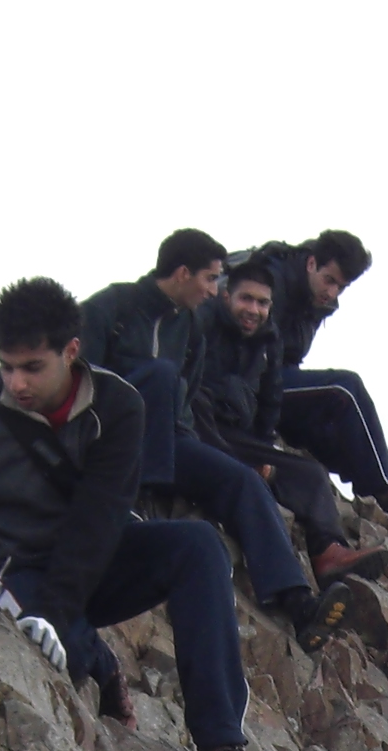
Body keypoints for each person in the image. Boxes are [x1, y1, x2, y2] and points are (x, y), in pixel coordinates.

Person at [0, 277, 271, 751]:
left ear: (71, 353)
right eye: (7, 366)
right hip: (5, 567)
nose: (16, 382)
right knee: (54, 650)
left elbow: (100, 518)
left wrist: (55, 607)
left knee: (198, 546)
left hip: (89, 557)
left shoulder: (118, 406)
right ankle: (97, 659)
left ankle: (221, 745)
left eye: (32, 367)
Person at [79, 232, 339, 642]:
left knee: (242, 479)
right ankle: (137, 505)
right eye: (211, 278)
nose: (213, 289)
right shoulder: (113, 307)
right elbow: (76, 375)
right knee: (158, 375)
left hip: (172, 441)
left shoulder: (189, 328)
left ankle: (296, 601)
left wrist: (202, 452)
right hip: (108, 440)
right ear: (183, 273)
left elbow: (188, 392)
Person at [189, 265, 388, 587]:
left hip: (238, 434)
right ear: (227, 297)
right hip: (200, 428)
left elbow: (270, 404)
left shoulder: (269, 341)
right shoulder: (202, 323)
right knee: (197, 404)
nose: (254, 310)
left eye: (262, 303)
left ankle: (329, 552)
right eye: (246, 300)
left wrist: (266, 449)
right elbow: (187, 386)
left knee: (310, 472)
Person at [253, 229, 388, 513]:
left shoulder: (312, 300)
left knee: (338, 431)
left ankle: (370, 498)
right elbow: (254, 356)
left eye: (341, 287)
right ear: (311, 263)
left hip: (275, 380)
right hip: (250, 381)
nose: (332, 292)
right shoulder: (273, 280)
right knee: (344, 388)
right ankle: (386, 494)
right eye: (329, 280)